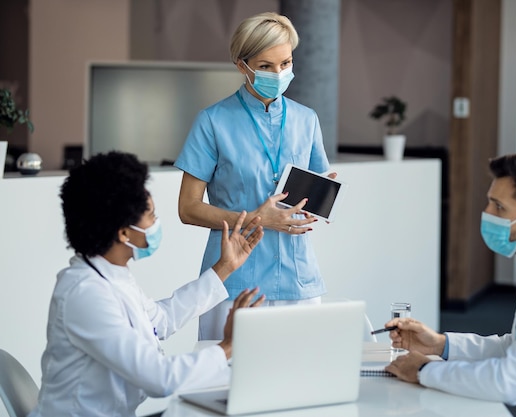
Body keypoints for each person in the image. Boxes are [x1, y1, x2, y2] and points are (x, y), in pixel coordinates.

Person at [29, 151, 265, 417]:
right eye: (151, 215)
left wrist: (225, 267)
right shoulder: (85, 294)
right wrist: (229, 346)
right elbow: (159, 378)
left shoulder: (111, 274)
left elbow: (160, 319)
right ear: (124, 233)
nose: (156, 223)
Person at [384, 151, 516, 417]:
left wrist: (425, 370)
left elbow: (511, 379)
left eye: (499, 207)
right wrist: (440, 344)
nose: (486, 213)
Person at [174, 12, 335, 340]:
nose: (278, 73)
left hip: (297, 277)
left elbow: (315, 187)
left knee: (303, 381)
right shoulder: (212, 122)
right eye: (265, 66)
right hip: (234, 280)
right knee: (225, 383)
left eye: (285, 63)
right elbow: (187, 208)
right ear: (241, 65)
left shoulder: (307, 120)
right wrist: (255, 219)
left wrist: (322, 199)